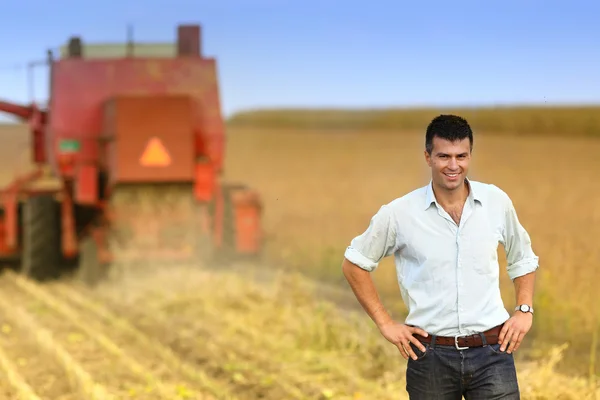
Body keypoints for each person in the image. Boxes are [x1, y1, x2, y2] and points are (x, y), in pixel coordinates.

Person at [341, 114, 539, 399]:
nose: (454, 165)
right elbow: (354, 264)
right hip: (430, 356)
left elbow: (523, 258)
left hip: (493, 352)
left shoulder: (496, 202)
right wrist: (386, 323)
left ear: (470, 155)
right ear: (427, 156)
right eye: (444, 156)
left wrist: (524, 310)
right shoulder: (399, 213)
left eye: (462, 156)